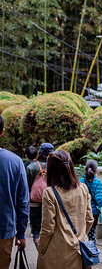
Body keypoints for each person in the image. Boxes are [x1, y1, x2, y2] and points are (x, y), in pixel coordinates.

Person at [37, 150, 93, 269]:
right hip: (80, 251)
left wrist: (41, 248)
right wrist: (80, 236)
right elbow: (89, 219)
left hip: (58, 253)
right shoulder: (83, 188)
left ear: (52, 170)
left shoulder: (50, 192)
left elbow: (48, 228)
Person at [0, 115, 29, 268]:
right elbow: (23, 201)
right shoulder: (15, 161)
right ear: (2, 132)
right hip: (4, 230)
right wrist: (21, 232)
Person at [26, 142, 53, 248]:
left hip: (34, 203)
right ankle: (47, 252)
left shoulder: (31, 167)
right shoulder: (54, 167)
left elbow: (25, 187)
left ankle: (39, 248)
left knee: (36, 229)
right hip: (51, 203)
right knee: (49, 228)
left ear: (40, 153)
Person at [79, 159, 102, 241]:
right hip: (94, 213)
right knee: (91, 234)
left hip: (82, 212)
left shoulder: (79, 182)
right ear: (96, 170)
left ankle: (82, 251)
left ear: (85, 169)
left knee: (82, 234)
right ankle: (91, 251)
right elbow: (99, 199)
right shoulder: (97, 182)